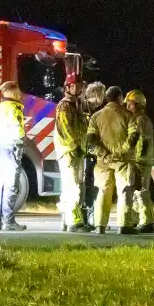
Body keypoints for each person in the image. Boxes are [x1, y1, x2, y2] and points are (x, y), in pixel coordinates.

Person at [86, 86, 136, 235]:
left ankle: (99, 225)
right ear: (120, 98)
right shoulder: (129, 115)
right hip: (123, 160)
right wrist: (121, 151)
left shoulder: (96, 116)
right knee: (124, 191)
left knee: (102, 191)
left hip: (103, 161)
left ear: (107, 98)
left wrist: (104, 154)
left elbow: (90, 140)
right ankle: (124, 225)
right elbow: (134, 137)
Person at [0, 81, 27, 231]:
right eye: (19, 91)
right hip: (10, 150)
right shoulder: (14, 110)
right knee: (11, 187)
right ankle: (8, 222)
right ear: (13, 93)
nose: (20, 94)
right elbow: (19, 132)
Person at [54, 73, 92, 232]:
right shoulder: (64, 106)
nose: (78, 88)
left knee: (76, 185)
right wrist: (75, 146)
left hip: (78, 151)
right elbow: (66, 129)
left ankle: (67, 218)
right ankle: (73, 222)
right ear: (67, 87)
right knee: (72, 186)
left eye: (79, 85)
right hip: (69, 151)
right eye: (74, 85)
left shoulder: (78, 104)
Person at [123, 89, 154, 234]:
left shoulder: (141, 120)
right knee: (137, 191)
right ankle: (139, 219)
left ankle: (148, 221)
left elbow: (144, 140)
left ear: (137, 104)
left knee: (142, 191)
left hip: (141, 161)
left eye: (130, 104)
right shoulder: (140, 118)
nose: (127, 107)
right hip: (141, 160)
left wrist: (137, 158)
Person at [81, 81, 107, 228]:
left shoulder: (87, 109)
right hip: (86, 154)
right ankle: (87, 215)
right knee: (87, 185)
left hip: (87, 153)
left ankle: (87, 216)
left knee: (88, 184)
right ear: (97, 95)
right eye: (102, 96)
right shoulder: (87, 111)